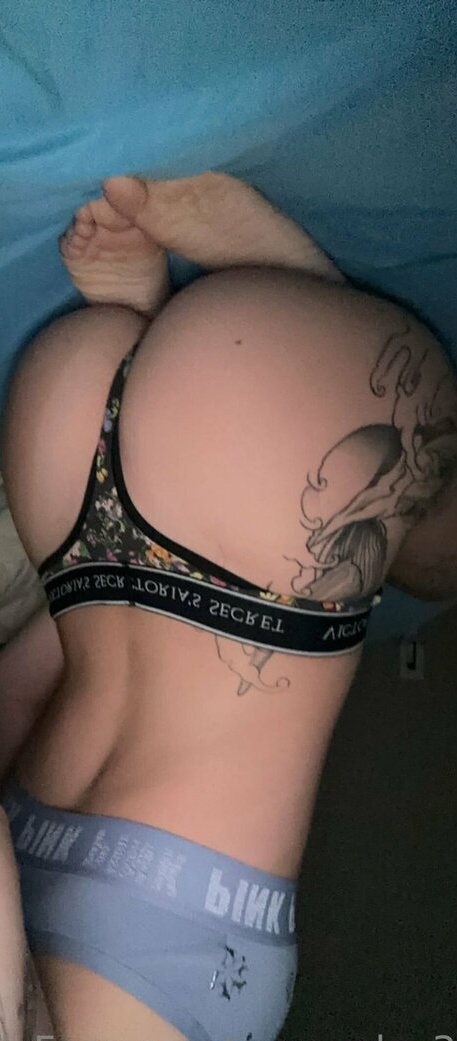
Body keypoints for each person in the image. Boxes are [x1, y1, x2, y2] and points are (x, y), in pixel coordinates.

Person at [1, 172, 457, 1041]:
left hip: (217, 473)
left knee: (436, 561)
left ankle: (264, 317)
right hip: (73, 479)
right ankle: (166, 363)